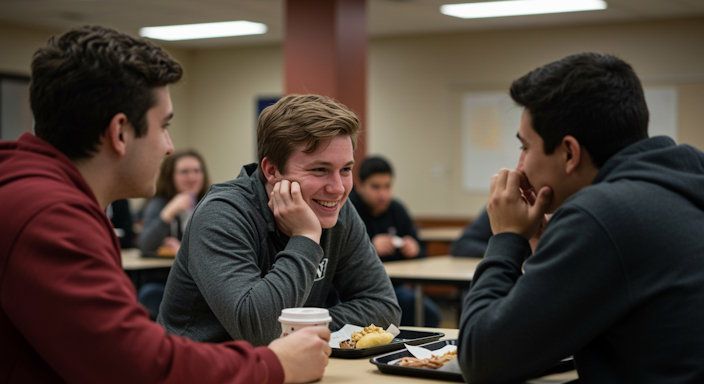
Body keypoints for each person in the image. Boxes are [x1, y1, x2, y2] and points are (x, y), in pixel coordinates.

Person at [0, 25, 331, 383]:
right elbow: (136, 366)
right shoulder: (50, 216)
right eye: (164, 126)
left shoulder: (38, 194)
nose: (169, 146)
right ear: (120, 132)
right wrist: (273, 365)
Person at [458, 52, 704, 383]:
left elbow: (481, 358)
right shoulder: (682, 181)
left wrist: (506, 238)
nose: (519, 167)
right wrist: (548, 249)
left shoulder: (602, 213)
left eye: (525, 147)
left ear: (569, 153)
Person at [158, 94, 401, 345]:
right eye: (320, 170)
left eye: (346, 169)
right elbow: (260, 332)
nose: (338, 188)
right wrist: (305, 237)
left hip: (283, 367)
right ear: (272, 171)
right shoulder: (221, 214)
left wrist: (301, 326)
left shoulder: (336, 208)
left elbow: (384, 309)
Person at [348, 155, 441, 327]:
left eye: (387, 187)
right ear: (359, 186)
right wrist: (370, 248)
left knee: (429, 312)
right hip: (356, 291)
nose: (383, 194)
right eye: (375, 187)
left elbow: (422, 250)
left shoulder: (396, 209)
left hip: (395, 286)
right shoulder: (348, 208)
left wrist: (414, 249)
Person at [139, 149, 209, 256]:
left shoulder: (210, 203)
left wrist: (183, 250)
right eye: (184, 172)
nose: (192, 177)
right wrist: (169, 213)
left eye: (197, 171)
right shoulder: (158, 203)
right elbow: (145, 246)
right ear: (170, 176)